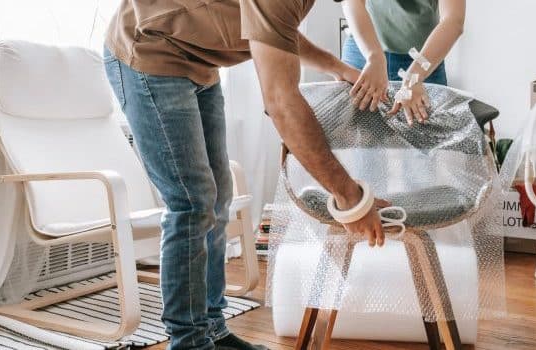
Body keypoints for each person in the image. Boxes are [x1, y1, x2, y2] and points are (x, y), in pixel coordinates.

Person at [103, 1, 387, 349]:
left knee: (218, 199)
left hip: (199, 63)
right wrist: (350, 197)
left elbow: (275, 30)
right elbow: (281, 103)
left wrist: (335, 66)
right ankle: (189, 340)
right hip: (149, 52)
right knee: (192, 203)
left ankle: (212, 328)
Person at [341, 0, 466, 125]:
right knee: (353, 131)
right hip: (364, 51)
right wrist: (373, 57)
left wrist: (415, 75)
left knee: (427, 135)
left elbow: (453, 19)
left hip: (423, 59)